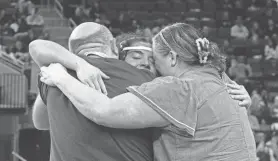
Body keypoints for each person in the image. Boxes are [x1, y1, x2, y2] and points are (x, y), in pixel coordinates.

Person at [39, 23, 256, 161]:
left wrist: (61, 77)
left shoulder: (177, 87)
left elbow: (104, 111)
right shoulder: (221, 81)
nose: (148, 66)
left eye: (154, 60)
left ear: (172, 58)